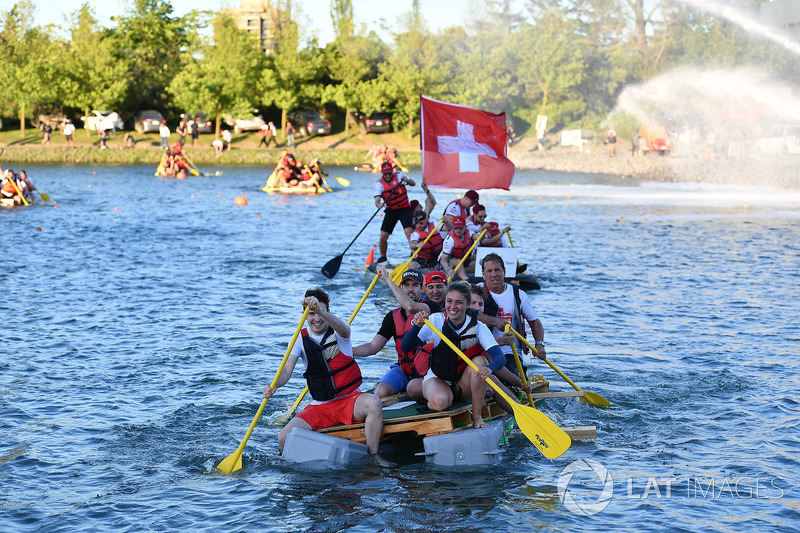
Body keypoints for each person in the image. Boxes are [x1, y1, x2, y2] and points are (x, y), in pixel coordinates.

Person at [262, 288, 383, 454]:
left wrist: (318, 308)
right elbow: (287, 370)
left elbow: (344, 329)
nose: (317, 319)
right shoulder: (299, 338)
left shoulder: (340, 331)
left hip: (350, 400)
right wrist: (274, 385)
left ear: (328, 312)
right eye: (311, 314)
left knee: (374, 403)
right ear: (305, 315)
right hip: (321, 406)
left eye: (321, 312)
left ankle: (373, 457)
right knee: (283, 438)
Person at [401, 282, 507, 429]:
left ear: (468, 304)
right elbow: (406, 346)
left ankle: (477, 418)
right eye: (449, 301)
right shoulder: (435, 320)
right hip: (439, 377)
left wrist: (489, 369)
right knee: (441, 403)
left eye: (459, 302)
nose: (453, 306)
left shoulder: (479, 327)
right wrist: (416, 325)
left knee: (480, 362)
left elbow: (499, 358)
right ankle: (431, 395)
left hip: (463, 383)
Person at [353, 267, 439, 398]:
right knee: (381, 392)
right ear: (401, 287)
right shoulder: (391, 317)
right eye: (406, 285)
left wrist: (387, 279)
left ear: (422, 289)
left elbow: (411, 307)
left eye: (415, 285)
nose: (410, 289)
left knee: (415, 390)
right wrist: (346, 350)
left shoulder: (431, 307)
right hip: (403, 369)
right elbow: (372, 347)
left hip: (426, 371)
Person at [478, 253, 546, 378]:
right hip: (481, 351)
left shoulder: (519, 295)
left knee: (505, 375)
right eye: (489, 271)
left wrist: (539, 344)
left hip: (510, 352)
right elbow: (468, 315)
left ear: (504, 271)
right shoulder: (475, 292)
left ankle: (513, 384)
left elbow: (534, 321)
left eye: (497, 270)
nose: (494, 275)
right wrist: (495, 321)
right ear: (483, 274)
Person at [373, 159, 416, 264]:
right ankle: (383, 258)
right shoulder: (379, 184)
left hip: (404, 209)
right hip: (391, 211)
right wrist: (379, 205)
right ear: (382, 173)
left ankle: (415, 256)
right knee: (383, 237)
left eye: (389, 173)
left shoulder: (399, 175)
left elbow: (413, 183)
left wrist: (407, 180)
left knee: (409, 234)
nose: (388, 176)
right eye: (385, 174)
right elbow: (377, 200)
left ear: (392, 171)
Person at [439, 215, 479, 280]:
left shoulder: (469, 233)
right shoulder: (450, 239)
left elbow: (479, 238)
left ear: (465, 227)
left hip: (463, 259)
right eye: (456, 228)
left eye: (461, 228)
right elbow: (443, 259)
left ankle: (458, 271)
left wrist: (484, 230)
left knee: (477, 260)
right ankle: (466, 280)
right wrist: (448, 270)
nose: (458, 230)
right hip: (449, 260)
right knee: (458, 262)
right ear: (453, 228)